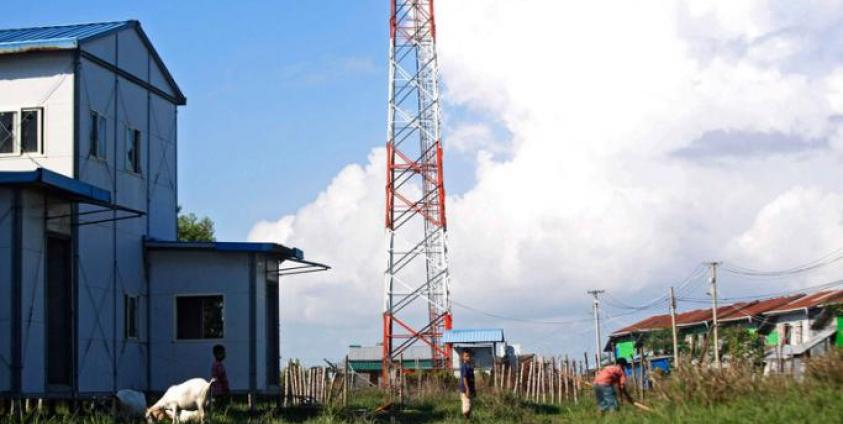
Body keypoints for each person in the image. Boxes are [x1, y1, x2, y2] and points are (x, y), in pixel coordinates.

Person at [210, 344, 231, 409]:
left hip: (214, 388)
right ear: (216, 355)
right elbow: (222, 377)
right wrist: (226, 387)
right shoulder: (219, 365)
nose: (224, 355)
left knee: (216, 401)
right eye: (222, 353)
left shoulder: (214, 364)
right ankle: (221, 410)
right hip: (220, 389)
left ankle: (216, 409)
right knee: (221, 402)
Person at [458, 350, 476, 419]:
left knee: (471, 406)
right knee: (466, 407)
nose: (468, 357)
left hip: (471, 389)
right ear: (463, 357)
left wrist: (473, 390)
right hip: (465, 389)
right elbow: (464, 378)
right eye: (466, 356)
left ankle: (468, 420)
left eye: (469, 356)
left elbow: (472, 379)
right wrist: (467, 389)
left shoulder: (470, 367)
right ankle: (466, 419)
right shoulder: (464, 366)